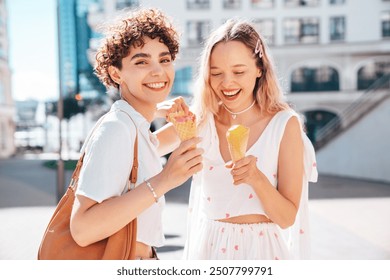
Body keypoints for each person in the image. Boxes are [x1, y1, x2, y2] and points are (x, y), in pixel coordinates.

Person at [176, 18, 318, 260]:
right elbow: (147, 146)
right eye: (216, 73)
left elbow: (286, 218)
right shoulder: (200, 120)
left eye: (239, 71)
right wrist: (157, 112)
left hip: (262, 253)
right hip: (208, 250)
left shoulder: (284, 124)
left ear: (259, 69)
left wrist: (257, 179)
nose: (227, 82)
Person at [69, 8, 203, 260]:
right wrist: (165, 180)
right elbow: (82, 229)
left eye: (164, 60)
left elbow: (149, 150)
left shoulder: (133, 126)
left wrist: (167, 117)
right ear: (116, 73)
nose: (158, 72)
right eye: (141, 62)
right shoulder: (117, 128)